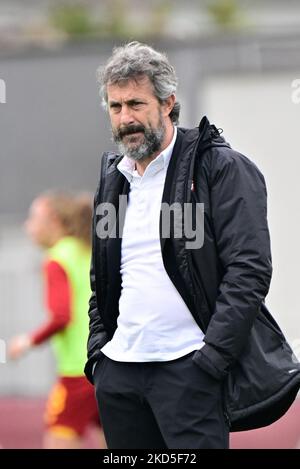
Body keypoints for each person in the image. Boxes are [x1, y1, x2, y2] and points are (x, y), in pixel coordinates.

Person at [85, 41, 300, 449]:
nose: (126, 118)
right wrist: (100, 356)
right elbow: (103, 278)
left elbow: (249, 270)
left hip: (190, 371)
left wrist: (212, 360)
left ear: (168, 103)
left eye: (136, 104)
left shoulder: (221, 167)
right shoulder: (113, 180)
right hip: (120, 375)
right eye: (116, 107)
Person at [9, 191, 106, 449]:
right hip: (107, 365)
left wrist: (27, 341)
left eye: (33, 218)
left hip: (78, 371)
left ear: (53, 221)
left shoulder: (56, 259)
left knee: (58, 439)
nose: (27, 226)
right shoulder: (88, 249)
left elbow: (62, 316)